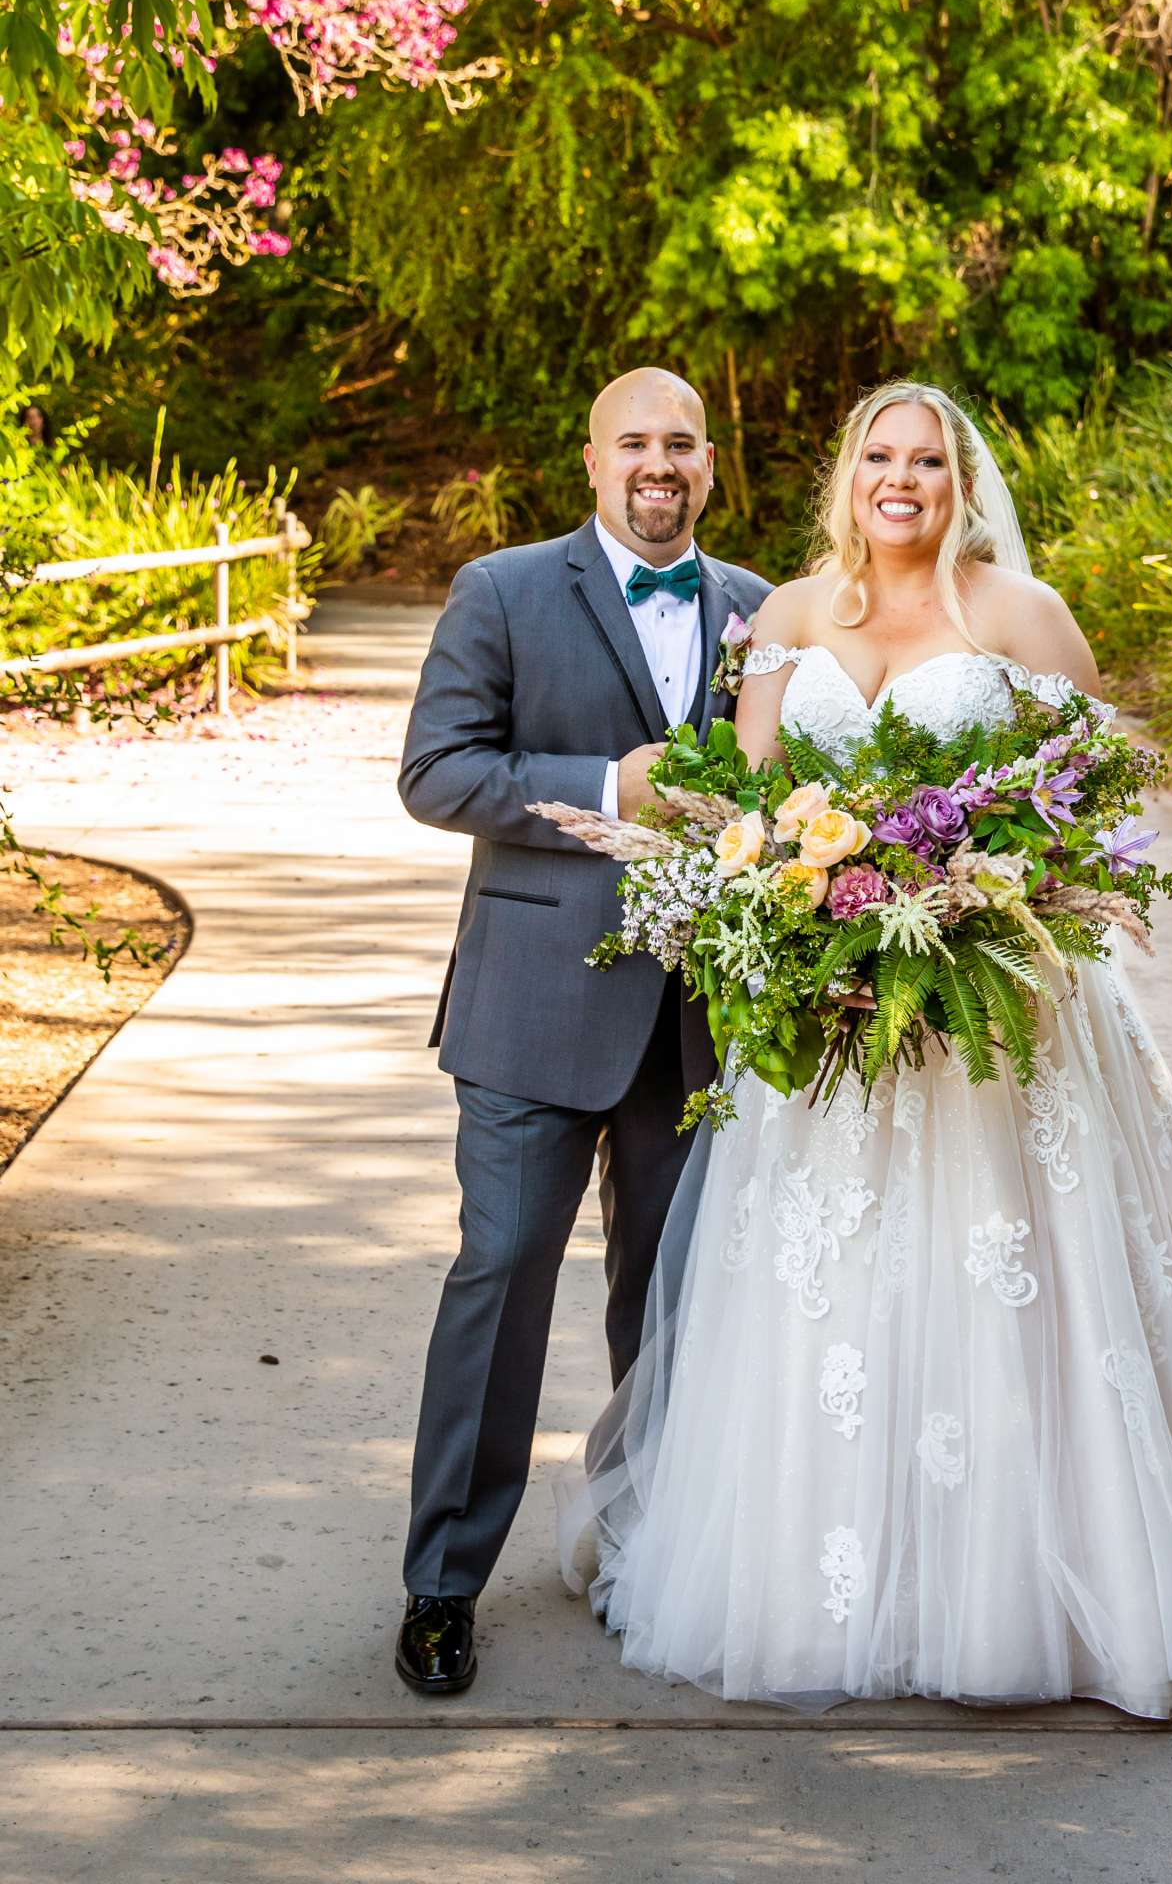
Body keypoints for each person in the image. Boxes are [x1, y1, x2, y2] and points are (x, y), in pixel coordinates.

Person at [555, 378, 1172, 1718]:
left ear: (963, 481)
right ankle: (833, 1581)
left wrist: (996, 898)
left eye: (929, 459)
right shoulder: (792, 616)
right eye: (882, 454)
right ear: (849, 472)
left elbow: (1098, 807)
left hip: (1001, 1022)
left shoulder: (1020, 617)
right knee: (837, 1300)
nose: (903, 480)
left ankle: (1044, 1582)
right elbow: (747, 816)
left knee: (1008, 1292)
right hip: (835, 1029)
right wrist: (804, 929)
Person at [393, 368, 769, 1694]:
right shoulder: (501, 590)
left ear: (709, 466)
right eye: (634, 444)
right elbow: (436, 773)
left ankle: (642, 1549)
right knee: (498, 1281)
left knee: (669, 1309)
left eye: (680, 444)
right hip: (532, 1012)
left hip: (697, 1025)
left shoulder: (760, 613)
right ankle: (443, 1584)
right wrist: (606, 784)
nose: (657, 464)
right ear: (592, 461)